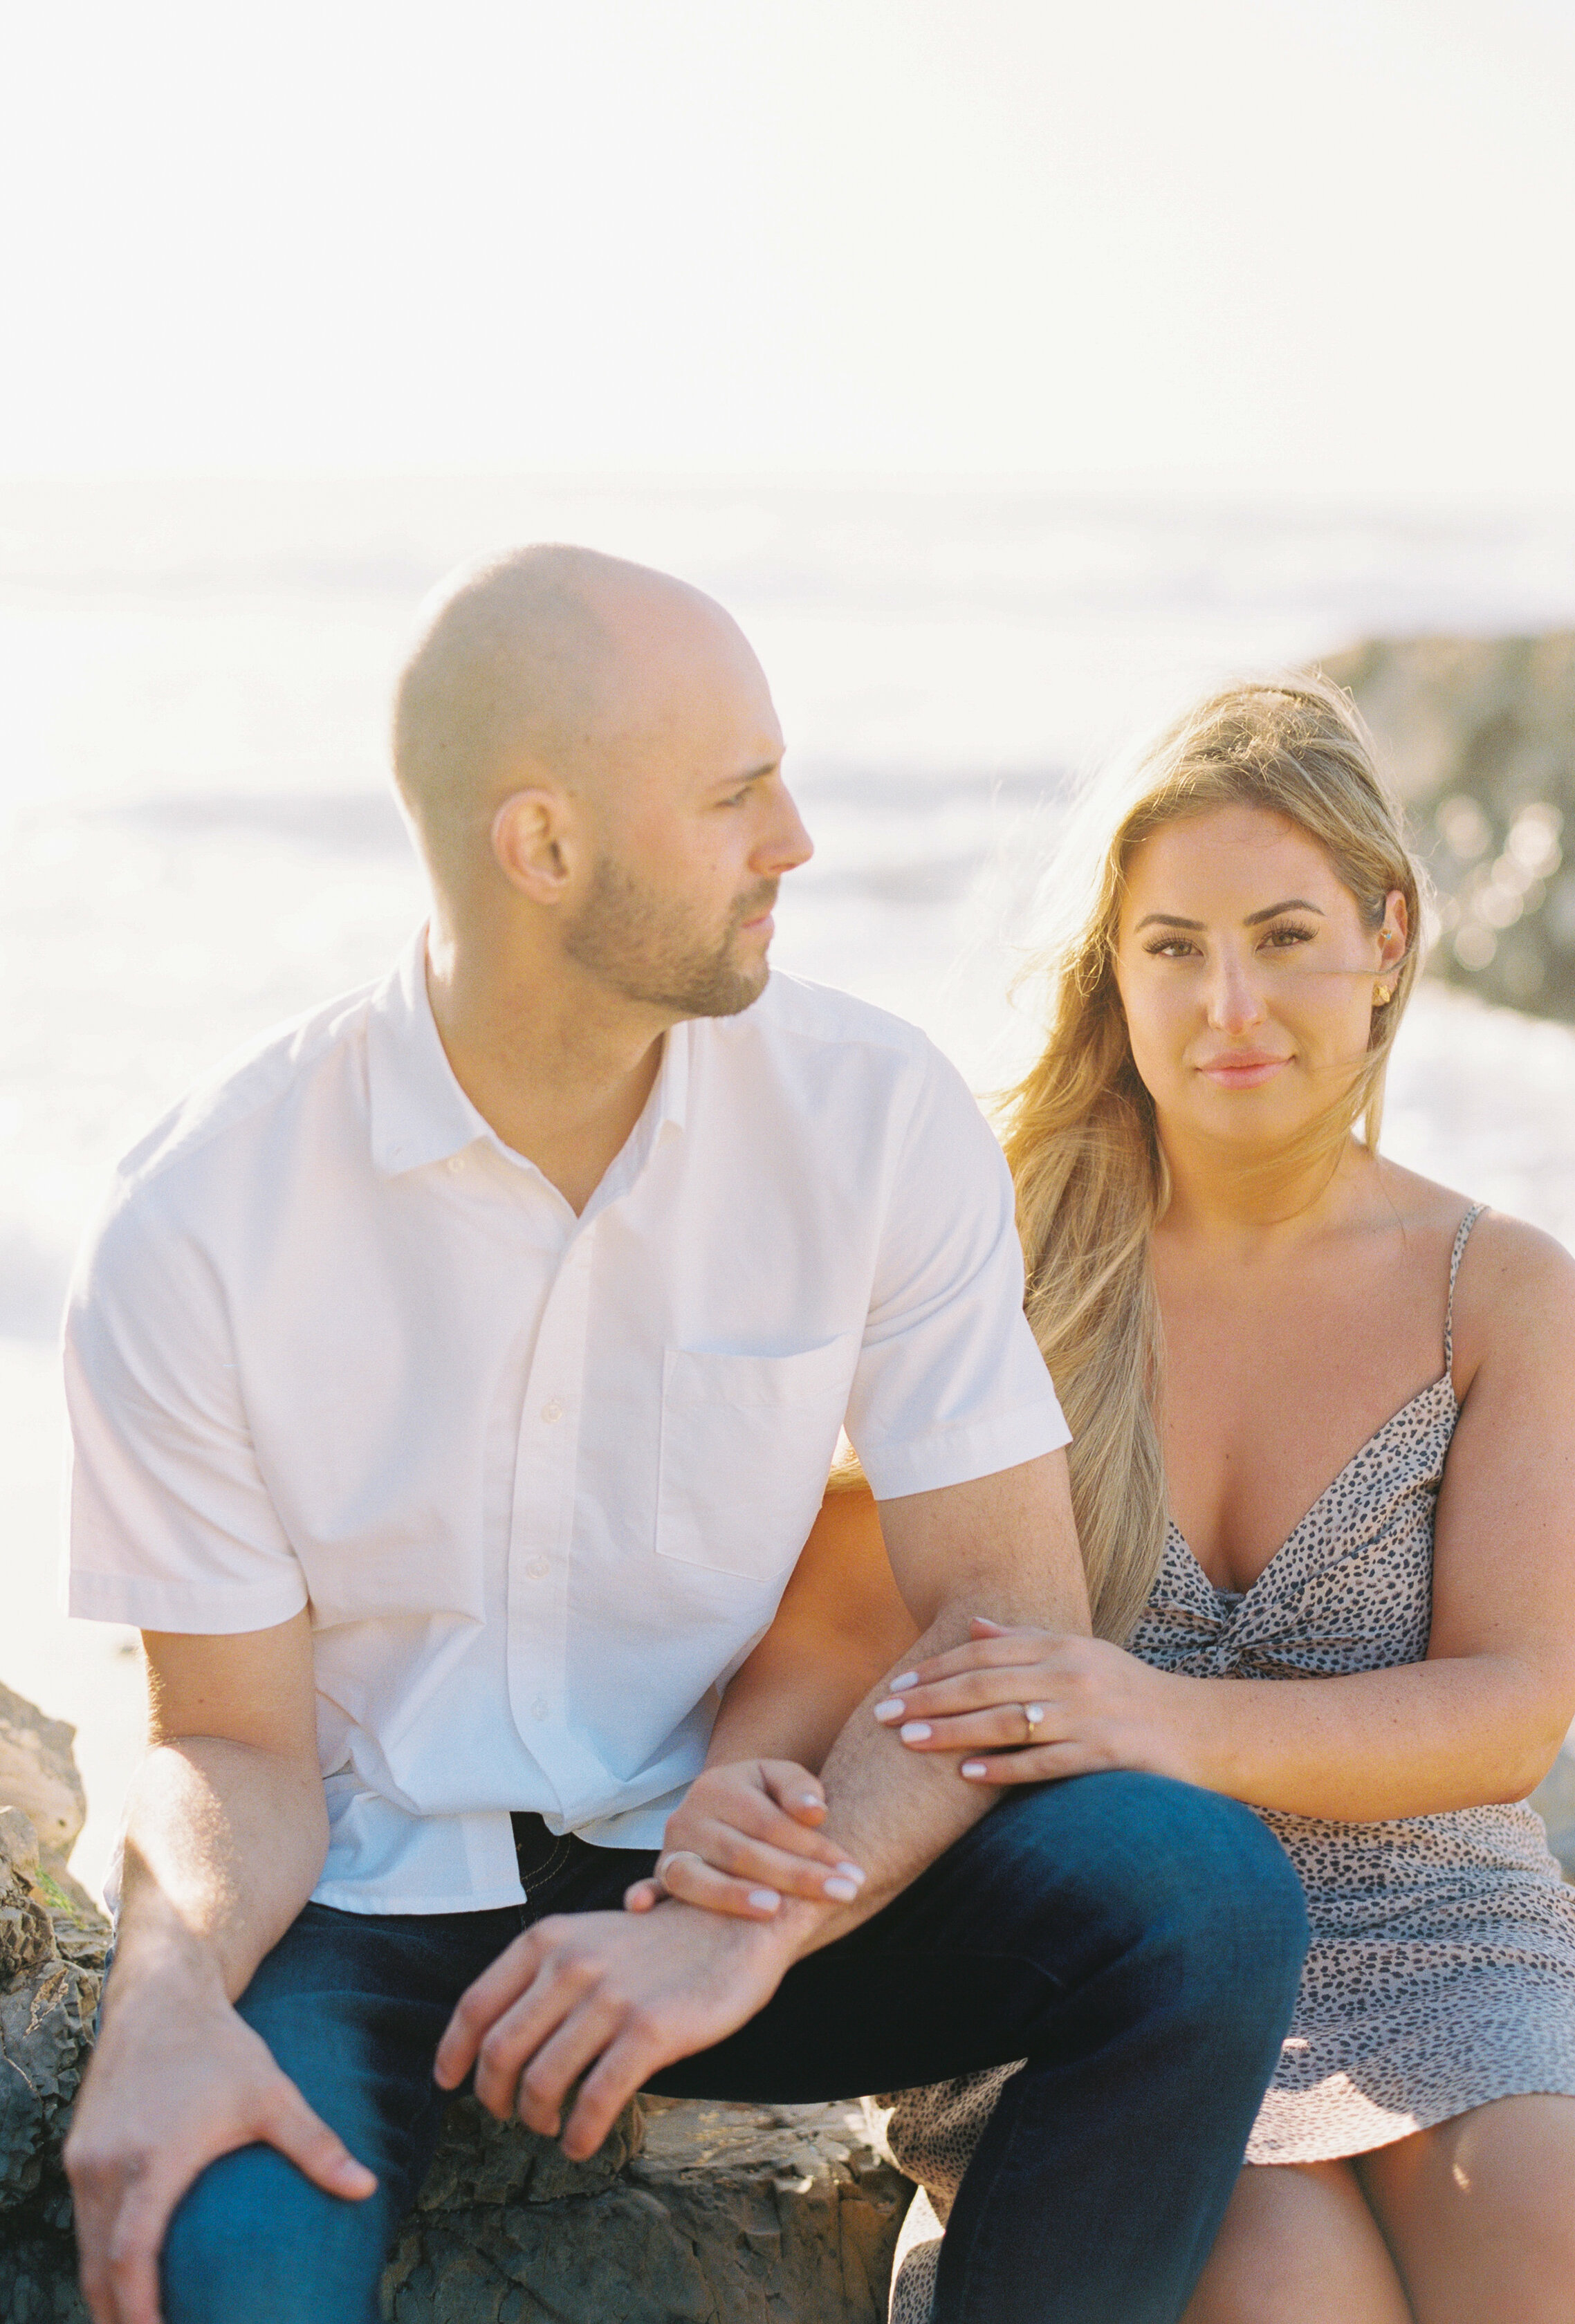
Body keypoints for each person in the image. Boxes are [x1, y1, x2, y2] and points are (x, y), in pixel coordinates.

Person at [57, 546, 1309, 2324]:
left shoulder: (871, 1119)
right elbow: (233, 1746)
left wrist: (753, 1920)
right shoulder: (202, 1216)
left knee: (1194, 1894)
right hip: (363, 1914)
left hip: (726, 1857)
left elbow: (1000, 1627)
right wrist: (165, 2009)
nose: (796, 837)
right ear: (543, 846)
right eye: (735, 797)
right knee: (220, 2259)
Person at [674, 676, 1575, 2322]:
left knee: (1556, 2224)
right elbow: (841, 1628)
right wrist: (734, 1802)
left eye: (1284, 937)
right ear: (1111, 968)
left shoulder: (1496, 1292)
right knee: (1283, 2291)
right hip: (1117, 1948)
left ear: (1387, 939)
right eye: (1172, 946)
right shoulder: (1002, 1261)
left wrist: (1153, 1716)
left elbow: (1507, 1714)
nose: (1229, 1005)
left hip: (1435, 1915)